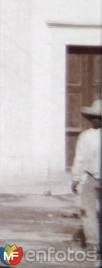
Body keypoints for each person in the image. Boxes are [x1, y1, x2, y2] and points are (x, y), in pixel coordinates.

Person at [71, 98, 101, 249]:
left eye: (98, 118)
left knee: (89, 211)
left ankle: (93, 243)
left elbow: (80, 159)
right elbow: (80, 160)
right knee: (89, 211)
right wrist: (76, 178)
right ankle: (93, 242)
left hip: (92, 178)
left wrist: (75, 179)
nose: (95, 120)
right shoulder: (85, 137)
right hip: (91, 178)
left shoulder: (86, 137)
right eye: (94, 117)